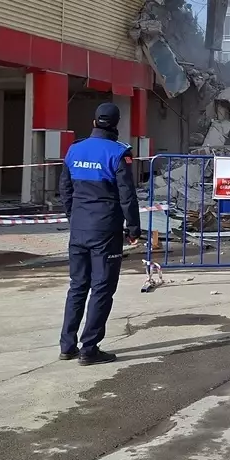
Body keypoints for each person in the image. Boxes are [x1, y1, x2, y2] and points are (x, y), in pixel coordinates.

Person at [57, 102, 141, 364]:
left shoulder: (74, 149)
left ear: (94, 122)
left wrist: (74, 216)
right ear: (115, 125)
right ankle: (89, 348)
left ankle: (67, 345)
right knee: (102, 288)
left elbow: (65, 189)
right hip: (105, 230)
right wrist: (134, 228)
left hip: (79, 229)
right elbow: (127, 195)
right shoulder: (118, 153)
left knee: (78, 286)